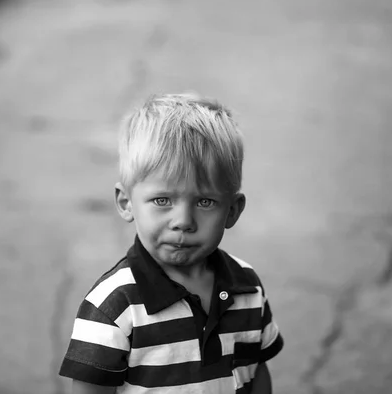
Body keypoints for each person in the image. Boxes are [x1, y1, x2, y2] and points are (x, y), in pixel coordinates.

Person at [59, 93, 284, 394]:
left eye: (205, 201)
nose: (183, 221)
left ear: (232, 210)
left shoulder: (247, 287)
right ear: (126, 203)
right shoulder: (113, 306)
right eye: (162, 200)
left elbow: (256, 373)